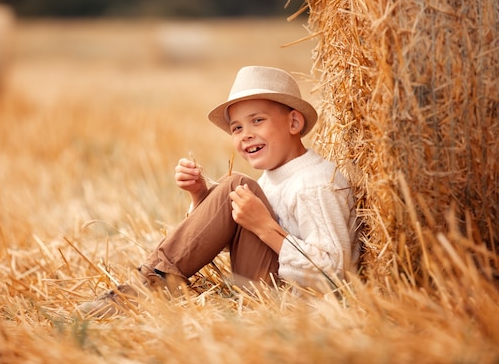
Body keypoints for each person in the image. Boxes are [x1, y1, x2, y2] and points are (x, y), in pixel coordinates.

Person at [76, 65, 360, 317]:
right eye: (236, 128)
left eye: (257, 120)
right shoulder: (272, 180)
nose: (245, 133)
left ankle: (146, 287)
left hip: (296, 308)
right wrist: (201, 197)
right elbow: (231, 241)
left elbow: (334, 273)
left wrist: (266, 229)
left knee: (237, 185)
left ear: (294, 123)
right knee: (236, 188)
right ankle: (150, 284)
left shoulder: (315, 183)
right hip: (267, 292)